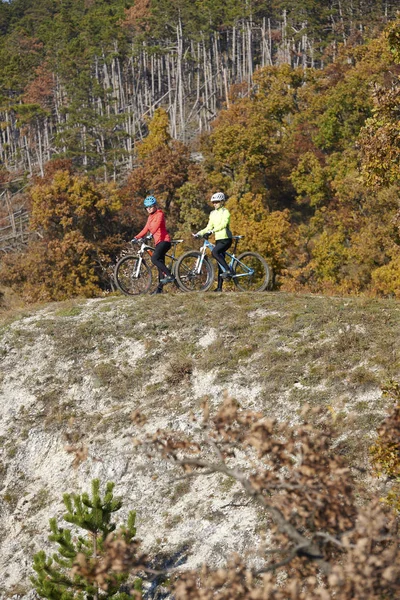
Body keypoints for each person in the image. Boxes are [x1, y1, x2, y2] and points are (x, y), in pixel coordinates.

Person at [133, 195, 174, 294]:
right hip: (158, 243)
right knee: (160, 265)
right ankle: (159, 290)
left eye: (150, 206)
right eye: (146, 207)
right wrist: (136, 237)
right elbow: (145, 229)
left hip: (164, 241)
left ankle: (170, 276)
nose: (148, 209)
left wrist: (150, 235)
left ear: (155, 206)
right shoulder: (150, 217)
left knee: (154, 259)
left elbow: (157, 225)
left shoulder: (160, 214)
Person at [195, 192, 233, 292]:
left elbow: (223, 224)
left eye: (216, 202)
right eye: (213, 202)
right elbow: (208, 227)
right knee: (220, 262)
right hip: (218, 240)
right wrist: (199, 233)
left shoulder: (225, 212)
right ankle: (219, 288)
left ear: (221, 202)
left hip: (226, 239)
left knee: (214, 252)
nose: (215, 204)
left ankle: (228, 271)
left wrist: (213, 231)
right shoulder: (212, 214)